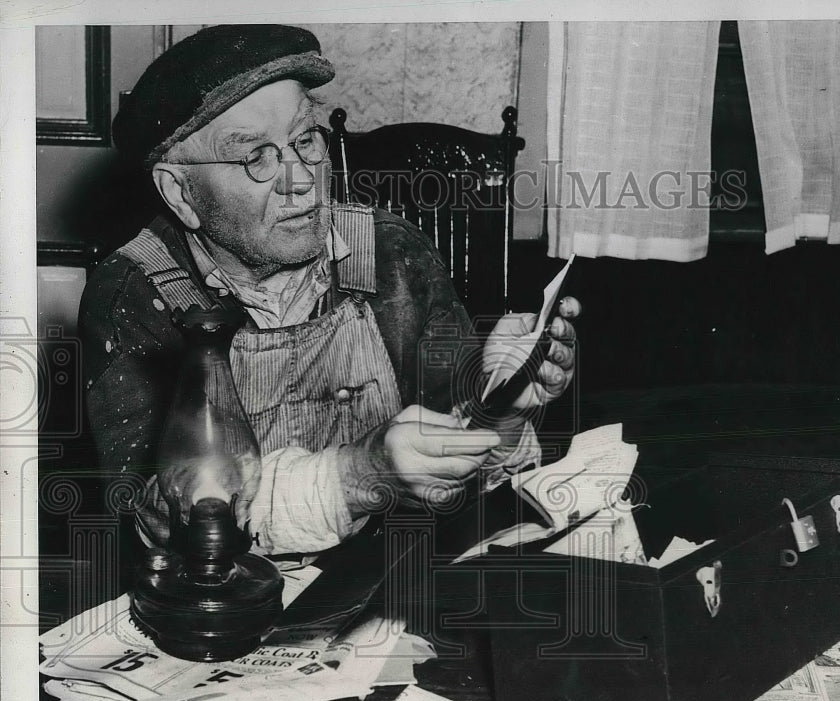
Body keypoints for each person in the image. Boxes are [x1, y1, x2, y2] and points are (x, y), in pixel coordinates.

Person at [79, 24, 578, 562]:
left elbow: (454, 458)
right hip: (231, 602)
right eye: (255, 157)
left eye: (304, 140)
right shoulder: (137, 291)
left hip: (391, 574)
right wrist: (361, 473)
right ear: (181, 192)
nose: (299, 179)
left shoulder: (386, 251)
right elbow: (158, 519)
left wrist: (498, 405)